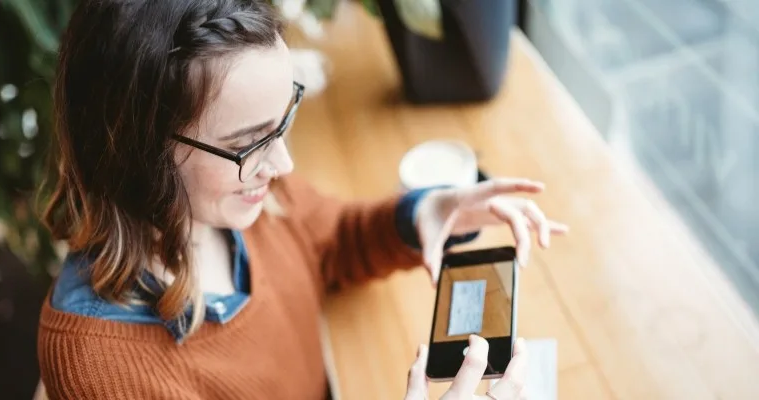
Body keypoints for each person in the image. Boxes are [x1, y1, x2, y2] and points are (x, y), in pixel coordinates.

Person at [36, 0, 568, 399]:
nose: (284, 165)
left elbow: (329, 241)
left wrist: (421, 214)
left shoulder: (245, 197)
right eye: (248, 143)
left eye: (283, 120)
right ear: (134, 151)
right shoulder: (99, 367)